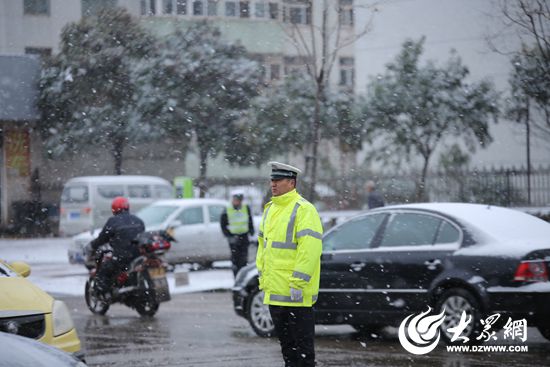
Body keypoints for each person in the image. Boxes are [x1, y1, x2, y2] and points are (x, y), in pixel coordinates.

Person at [256, 162, 323, 367]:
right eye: (272, 180)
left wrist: (298, 282)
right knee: (288, 352)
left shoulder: (304, 210)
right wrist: (263, 278)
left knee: (303, 354)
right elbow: (263, 247)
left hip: (297, 295)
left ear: (291, 183)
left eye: (278, 180)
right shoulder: (270, 209)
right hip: (276, 293)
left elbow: (310, 250)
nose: (273, 184)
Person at [90, 196, 145, 296]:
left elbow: (102, 238)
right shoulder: (138, 220)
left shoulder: (113, 221)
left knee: (103, 270)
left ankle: (105, 293)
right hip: (138, 255)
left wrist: (92, 246)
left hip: (122, 256)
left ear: (114, 209)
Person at [220, 190, 255, 277]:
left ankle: (243, 277)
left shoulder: (245, 207)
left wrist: (251, 231)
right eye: (236, 200)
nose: (237, 202)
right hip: (233, 238)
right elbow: (223, 224)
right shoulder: (227, 209)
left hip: (244, 236)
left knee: (244, 260)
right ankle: (236, 277)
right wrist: (228, 235)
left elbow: (250, 220)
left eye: (239, 200)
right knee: (235, 260)